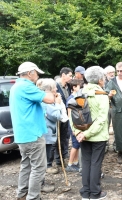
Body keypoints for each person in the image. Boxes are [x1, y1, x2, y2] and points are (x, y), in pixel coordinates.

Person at [10, 62, 55, 200]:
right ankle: (33, 197)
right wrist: (50, 91)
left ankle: (22, 194)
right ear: (30, 73)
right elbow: (49, 99)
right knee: (39, 168)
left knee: (26, 165)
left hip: (23, 135)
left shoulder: (16, 86)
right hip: (32, 135)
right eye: (36, 73)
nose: (38, 75)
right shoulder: (26, 86)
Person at [71, 66, 109, 200]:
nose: (104, 80)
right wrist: (87, 134)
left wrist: (78, 133)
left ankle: (85, 193)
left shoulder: (79, 93)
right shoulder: (102, 95)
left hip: (82, 135)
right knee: (96, 163)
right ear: (99, 80)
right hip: (97, 136)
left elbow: (72, 116)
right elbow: (102, 119)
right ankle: (95, 193)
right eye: (103, 78)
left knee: (86, 162)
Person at [36, 78, 68, 175]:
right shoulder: (46, 100)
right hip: (47, 129)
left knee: (49, 147)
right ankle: (48, 166)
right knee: (48, 147)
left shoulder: (45, 98)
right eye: (55, 88)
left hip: (47, 129)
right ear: (49, 89)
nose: (56, 90)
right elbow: (55, 115)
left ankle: (48, 165)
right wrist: (57, 104)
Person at [54, 67, 73, 167]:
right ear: (63, 75)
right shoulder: (55, 86)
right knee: (58, 138)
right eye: (70, 75)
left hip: (67, 116)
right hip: (59, 116)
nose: (71, 77)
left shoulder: (69, 86)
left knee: (66, 137)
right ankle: (58, 159)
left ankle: (64, 157)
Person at [65, 79, 84, 172]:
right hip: (73, 125)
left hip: (77, 124)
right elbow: (69, 115)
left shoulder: (77, 97)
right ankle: (70, 164)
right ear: (74, 87)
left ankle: (76, 162)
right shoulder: (70, 99)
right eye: (79, 86)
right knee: (75, 145)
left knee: (77, 145)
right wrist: (73, 127)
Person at [104, 65, 116, 152]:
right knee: (105, 126)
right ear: (106, 74)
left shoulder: (116, 81)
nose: (112, 74)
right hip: (105, 107)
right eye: (110, 73)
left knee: (116, 126)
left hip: (115, 106)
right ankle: (105, 146)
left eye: (113, 72)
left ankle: (116, 146)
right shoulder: (102, 82)